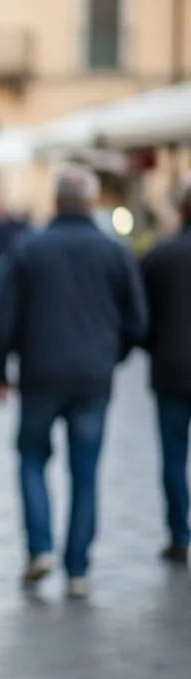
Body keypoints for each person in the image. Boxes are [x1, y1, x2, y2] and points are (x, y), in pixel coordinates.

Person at [0, 164, 148, 598]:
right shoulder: (114, 252)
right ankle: (78, 568)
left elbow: (6, 316)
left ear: (56, 201)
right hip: (93, 377)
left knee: (31, 459)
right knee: (85, 470)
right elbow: (137, 321)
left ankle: (40, 549)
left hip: (40, 373)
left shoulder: (29, 248)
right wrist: (110, 357)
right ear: (93, 202)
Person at [139, 173, 191, 568]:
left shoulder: (160, 255)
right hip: (171, 367)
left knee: (173, 456)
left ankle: (179, 534)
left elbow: (140, 318)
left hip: (172, 369)